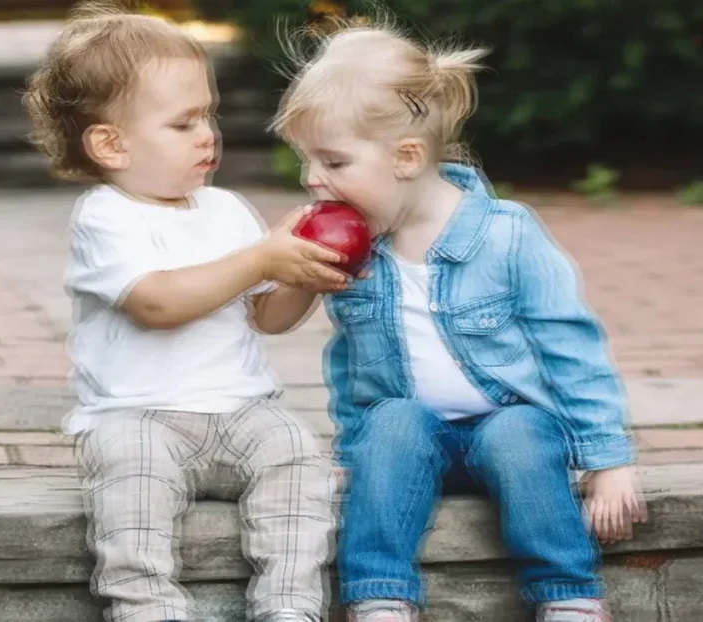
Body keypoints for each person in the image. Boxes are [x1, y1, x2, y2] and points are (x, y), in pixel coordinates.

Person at [269, 14, 648, 622]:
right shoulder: (356, 247)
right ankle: (379, 596)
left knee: (520, 432)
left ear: (407, 156)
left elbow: (571, 348)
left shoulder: (506, 234)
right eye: (305, 161)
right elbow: (349, 360)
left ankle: (568, 593)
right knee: (390, 423)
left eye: (333, 162)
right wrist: (354, 452)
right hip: (414, 440)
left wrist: (609, 462)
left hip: (509, 430)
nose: (312, 179)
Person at [23, 3, 347, 621]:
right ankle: (148, 605)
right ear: (111, 144)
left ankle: (289, 602)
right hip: (139, 416)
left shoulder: (224, 209)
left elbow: (269, 318)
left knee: (300, 454)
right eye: (183, 123)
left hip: (243, 408)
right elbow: (157, 303)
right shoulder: (106, 215)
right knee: (131, 474)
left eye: (209, 116)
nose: (208, 135)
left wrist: (304, 273)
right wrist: (260, 260)